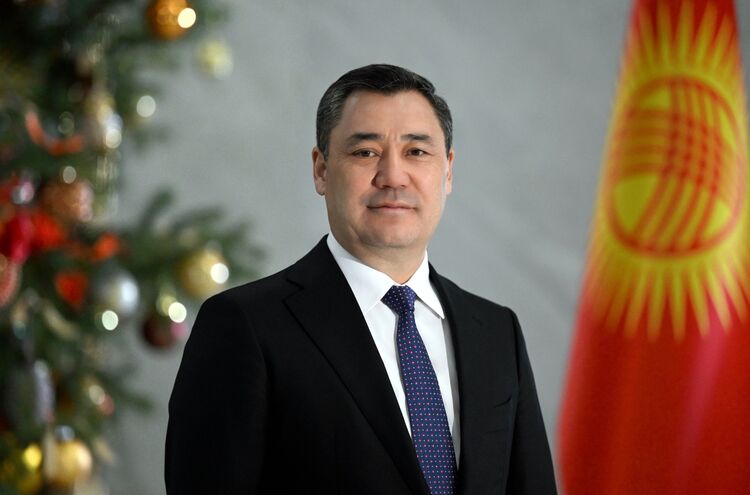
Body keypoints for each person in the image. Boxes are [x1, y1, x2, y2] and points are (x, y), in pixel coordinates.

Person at [165, 64, 556, 495]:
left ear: (447, 172)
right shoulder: (245, 326)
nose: (393, 177)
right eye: (365, 152)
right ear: (321, 170)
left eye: (416, 152)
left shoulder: (497, 332)